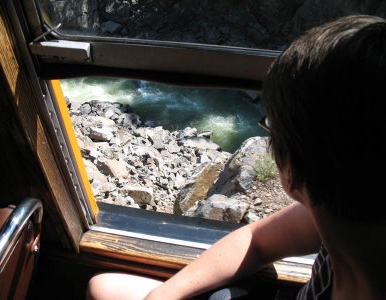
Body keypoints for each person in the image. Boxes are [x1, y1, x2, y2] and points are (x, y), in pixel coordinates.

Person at [86, 14, 386, 300]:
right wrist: (164, 294)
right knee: (106, 288)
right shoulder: (341, 215)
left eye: (271, 125)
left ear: (291, 169)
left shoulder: (332, 216)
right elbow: (256, 240)